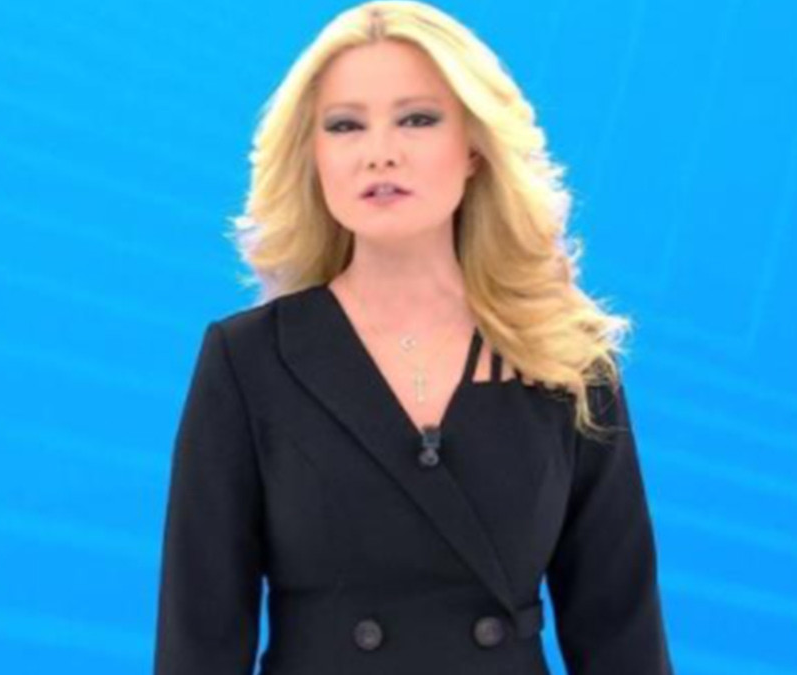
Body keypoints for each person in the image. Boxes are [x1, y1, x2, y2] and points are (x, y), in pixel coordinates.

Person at [152, 1, 674, 673]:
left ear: (475, 147)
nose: (380, 153)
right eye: (345, 125)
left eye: (417, 119)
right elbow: (198, 640)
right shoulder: (249, 360)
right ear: (313, 155)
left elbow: (622, 637)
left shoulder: (566, 360)